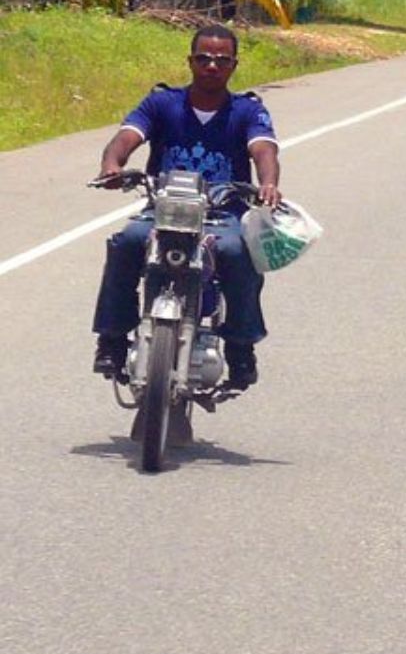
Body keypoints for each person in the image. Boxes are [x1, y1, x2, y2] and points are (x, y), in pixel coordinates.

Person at [91, 24, 282, 390]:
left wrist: (268, 183)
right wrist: (112, 165)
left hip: (220, 214)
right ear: (190, 61)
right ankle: (111, 340)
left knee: (236, 252)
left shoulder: (247, 110)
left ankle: (241, 346)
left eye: (221, 60)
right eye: (204, 58)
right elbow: (127, 137)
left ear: (234, 66)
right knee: (128, 242)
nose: (212, 66)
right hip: (163, 208)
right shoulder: (162, 103)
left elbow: (264, 150)